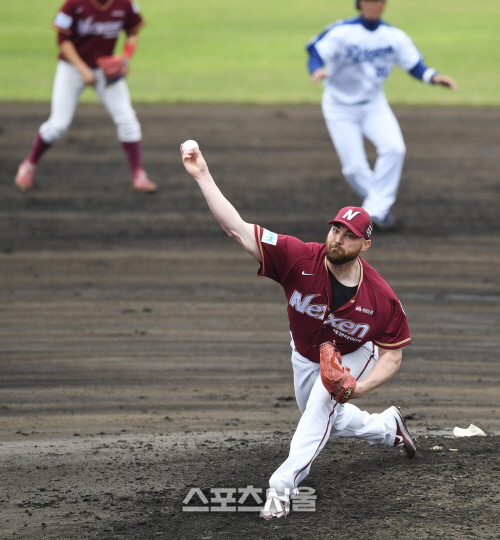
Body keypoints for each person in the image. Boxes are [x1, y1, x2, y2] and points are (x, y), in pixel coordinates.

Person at [180, 143, 416, 521]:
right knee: (324, 418)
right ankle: (388, 427)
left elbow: (392, 354)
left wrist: (359, 386)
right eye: (336, 228)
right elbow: (237, 229)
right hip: (305, 351)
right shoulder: (297, 257)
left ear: (364, 245)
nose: (338, 237)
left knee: (325, 400)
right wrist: (203, 176)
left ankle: (281, 487)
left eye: (349, 234)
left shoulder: (382, 298)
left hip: (355, 352)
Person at [306, 0, 457, 230]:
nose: (372, 5)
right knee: (354, 169)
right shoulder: (342, 31)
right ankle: (380, 209)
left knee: (395, 148)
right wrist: (315, 69)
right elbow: (315, 50)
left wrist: (434, 78)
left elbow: (415, 65)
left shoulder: (393, 36)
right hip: (339, 107)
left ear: (384, 5)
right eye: (367, 0)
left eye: (377, 1)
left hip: (374, 105)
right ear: (359, 3)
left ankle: (374, 212)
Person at [14, 0, 157, 194]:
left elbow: (133, 32)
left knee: (128, 120)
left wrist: (124, 58)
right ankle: (28, 165)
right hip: (71, 68)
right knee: (58, 125)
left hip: (106, 69)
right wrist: (82, 69)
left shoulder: (125, 3)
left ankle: (139, 175)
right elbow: (62, 41)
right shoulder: (73, 3)